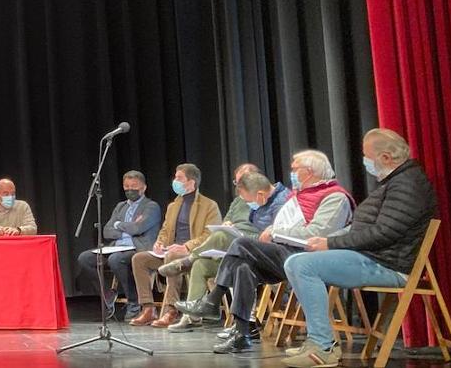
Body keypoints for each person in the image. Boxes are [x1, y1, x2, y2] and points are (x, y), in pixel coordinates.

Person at [279, 129, 437, 368]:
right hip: (374, 257)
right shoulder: (395, 182)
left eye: (367, 156)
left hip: (388, 265)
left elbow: (384, 233)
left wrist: (330, 243)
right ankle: (319, 341)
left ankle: (323, 346)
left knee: (302, 265)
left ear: (385, 157)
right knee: (295, 261)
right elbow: (363, 228)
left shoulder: (407, 184)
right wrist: (327, 240)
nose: (365, 162)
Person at [176, 150, 352, 354]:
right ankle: (242, 334)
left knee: (242, 244)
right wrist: (275, 230)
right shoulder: (299, 196)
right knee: (243, 266)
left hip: (310, 259)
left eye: (295, 169)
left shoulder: (334, 197)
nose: (292, 174)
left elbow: (316, 233)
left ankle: (212, 300)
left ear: (310, 172)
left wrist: (276, 231)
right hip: (288, 253)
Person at [162, 165, 289, 332]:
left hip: (258, 251)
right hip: (235, 248)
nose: (239, 187)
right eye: (237, 182)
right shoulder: (239, 200)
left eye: (243, 182)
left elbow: (271, 234)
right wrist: (227, 225)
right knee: (202, 264)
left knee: (234, 250)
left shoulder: (275, 200)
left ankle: (191, 265)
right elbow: (227, 220)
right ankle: (192, 317)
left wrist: (268, 230)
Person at [128, 163, 221, 328]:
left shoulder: (209, 205)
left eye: (179, 178)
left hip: (193, 254)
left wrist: (186, 247)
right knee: (139, 258)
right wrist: (160, 242)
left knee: (173, 256)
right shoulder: (173, 205)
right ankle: (148, 308)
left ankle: (171, 309)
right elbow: (165, 230)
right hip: (170, 252)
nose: (175, 181)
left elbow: (210, 235)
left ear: (191, 182)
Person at [74, 171, 161, 320]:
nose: (130, 190)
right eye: (126, 187)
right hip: (117, 247)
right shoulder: (121, 206)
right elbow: (107, 231)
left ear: (143, 187)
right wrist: (126, 227)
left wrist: (118, 224)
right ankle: (107, 295)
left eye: (134, 186)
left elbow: (137, 229)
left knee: (115, 259)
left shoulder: (151, 207)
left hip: (138, 249)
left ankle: (134, 302)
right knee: (85, 258)